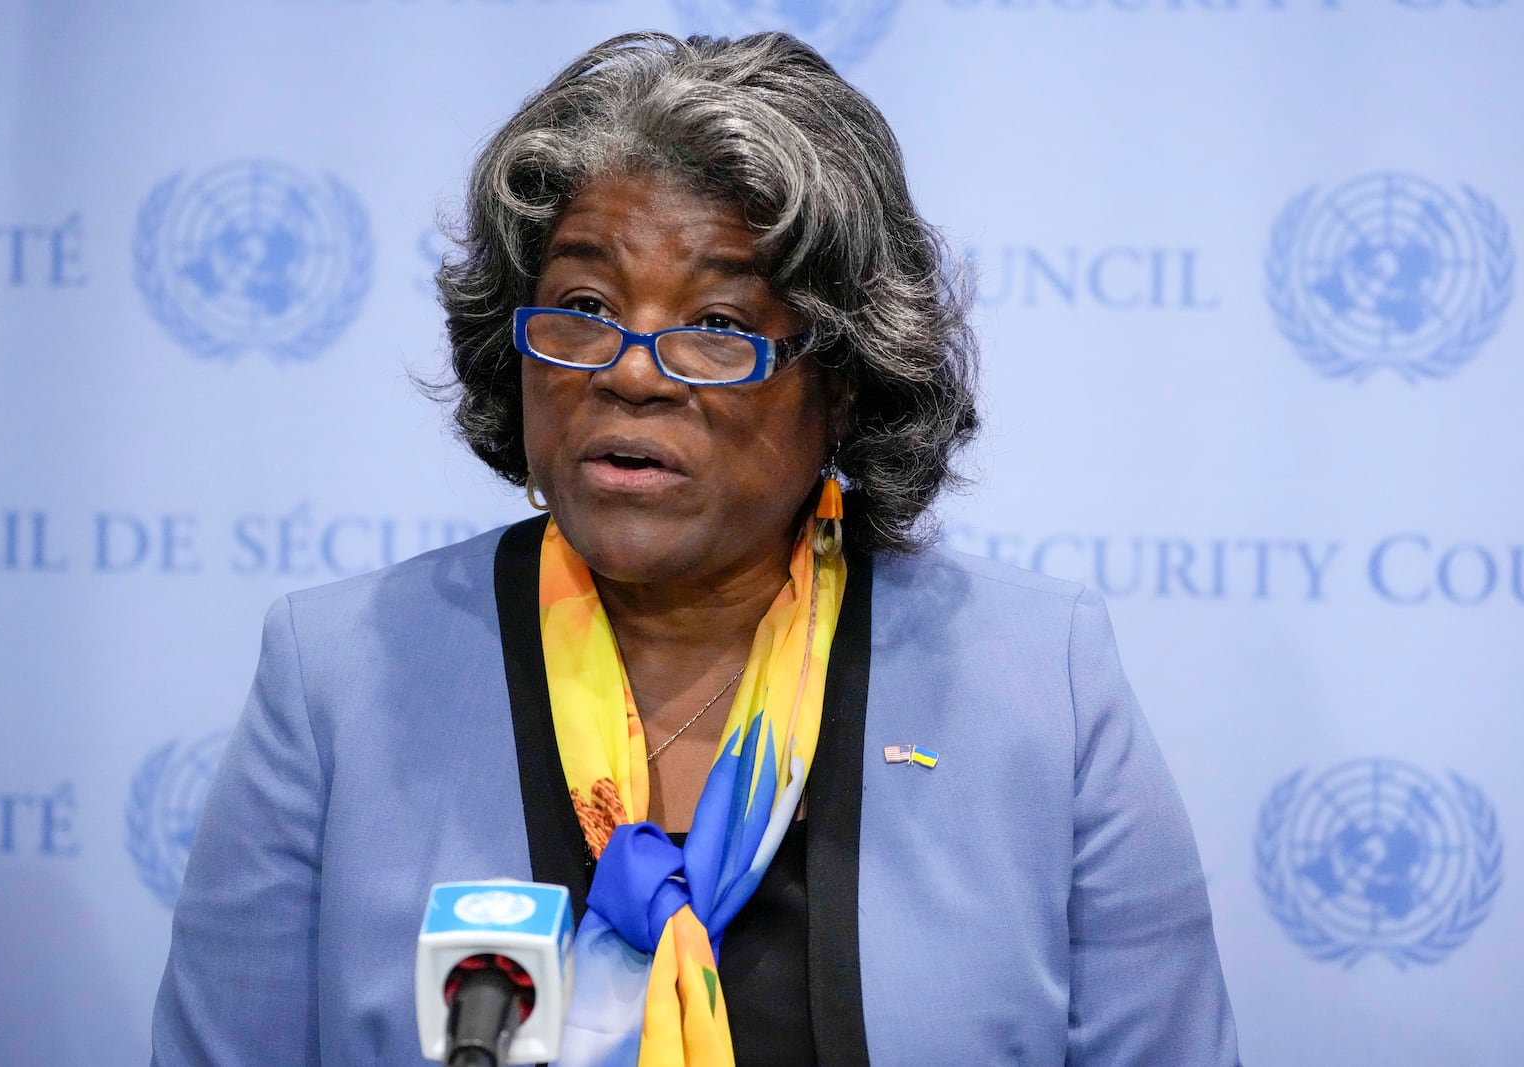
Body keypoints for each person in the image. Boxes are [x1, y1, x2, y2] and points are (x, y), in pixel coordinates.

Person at [151, 30, 1240, 1067]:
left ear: (846, 378)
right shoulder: (339, 675)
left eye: (717, 323)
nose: (630, 371)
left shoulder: (1035, 684)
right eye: (582, 303)